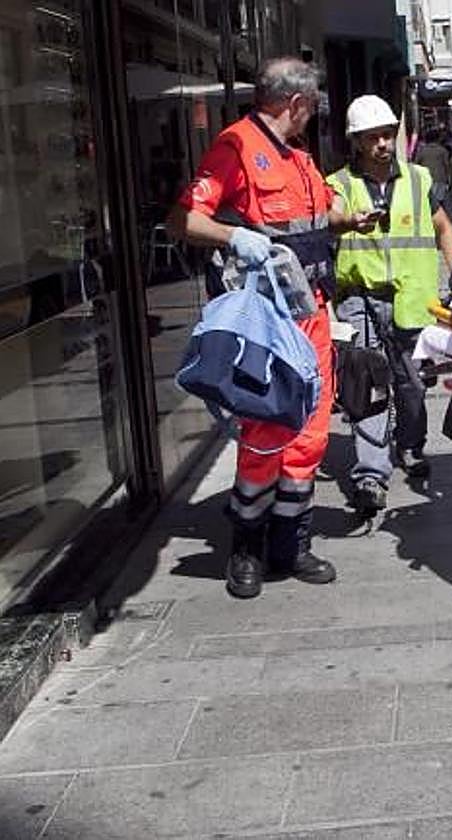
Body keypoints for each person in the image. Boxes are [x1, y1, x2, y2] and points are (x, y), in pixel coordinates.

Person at [169, 56, 358, 599]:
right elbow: (182, 219)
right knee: (267, 431)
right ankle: (247, 547)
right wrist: (234, 239)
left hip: (314, 312)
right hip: (269, 320)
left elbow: (315, 218)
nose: (313, 116)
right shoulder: (234, 147)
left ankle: (291, 542)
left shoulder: (300, 159)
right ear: (296, 104)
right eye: (313, 106)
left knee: (311, 431)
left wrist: (349, 216)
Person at [327, 95, 452, 515]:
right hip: (359, 298)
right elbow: (326, 224)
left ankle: (411, 444)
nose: (383, 144)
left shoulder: (419, 179)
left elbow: (443, 229)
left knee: (412, 383)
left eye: (387, 135)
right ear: (357, 141)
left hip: (411, 298)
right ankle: (370, 474)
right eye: (373, 137)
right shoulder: (339, 186)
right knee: (366, 385)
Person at [414, 127, 452, 208]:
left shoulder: (422, 151)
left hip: (425, 180)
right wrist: (451, 179)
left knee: (427, 202)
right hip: (440, 179)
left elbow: (416, 165)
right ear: (437, 139)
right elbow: (447, 166)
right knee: (439, 202)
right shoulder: (443, 150)